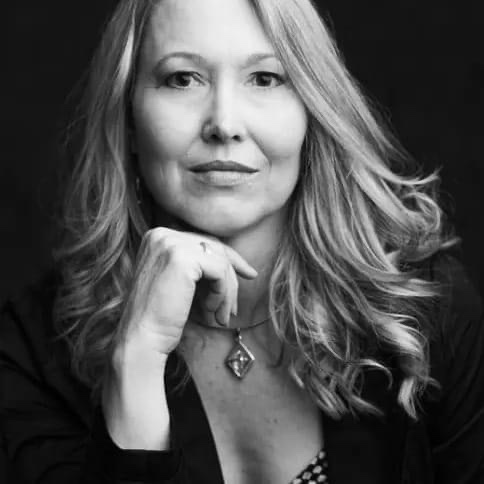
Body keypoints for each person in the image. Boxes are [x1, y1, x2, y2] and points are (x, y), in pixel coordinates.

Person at [1, 0, 483, 482]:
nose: (225, 124)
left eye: (265, 79)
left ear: (313, 110)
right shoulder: (33, 351)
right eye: (183, 79)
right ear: (127, 117)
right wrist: (136, 363)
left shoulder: (424, 309)